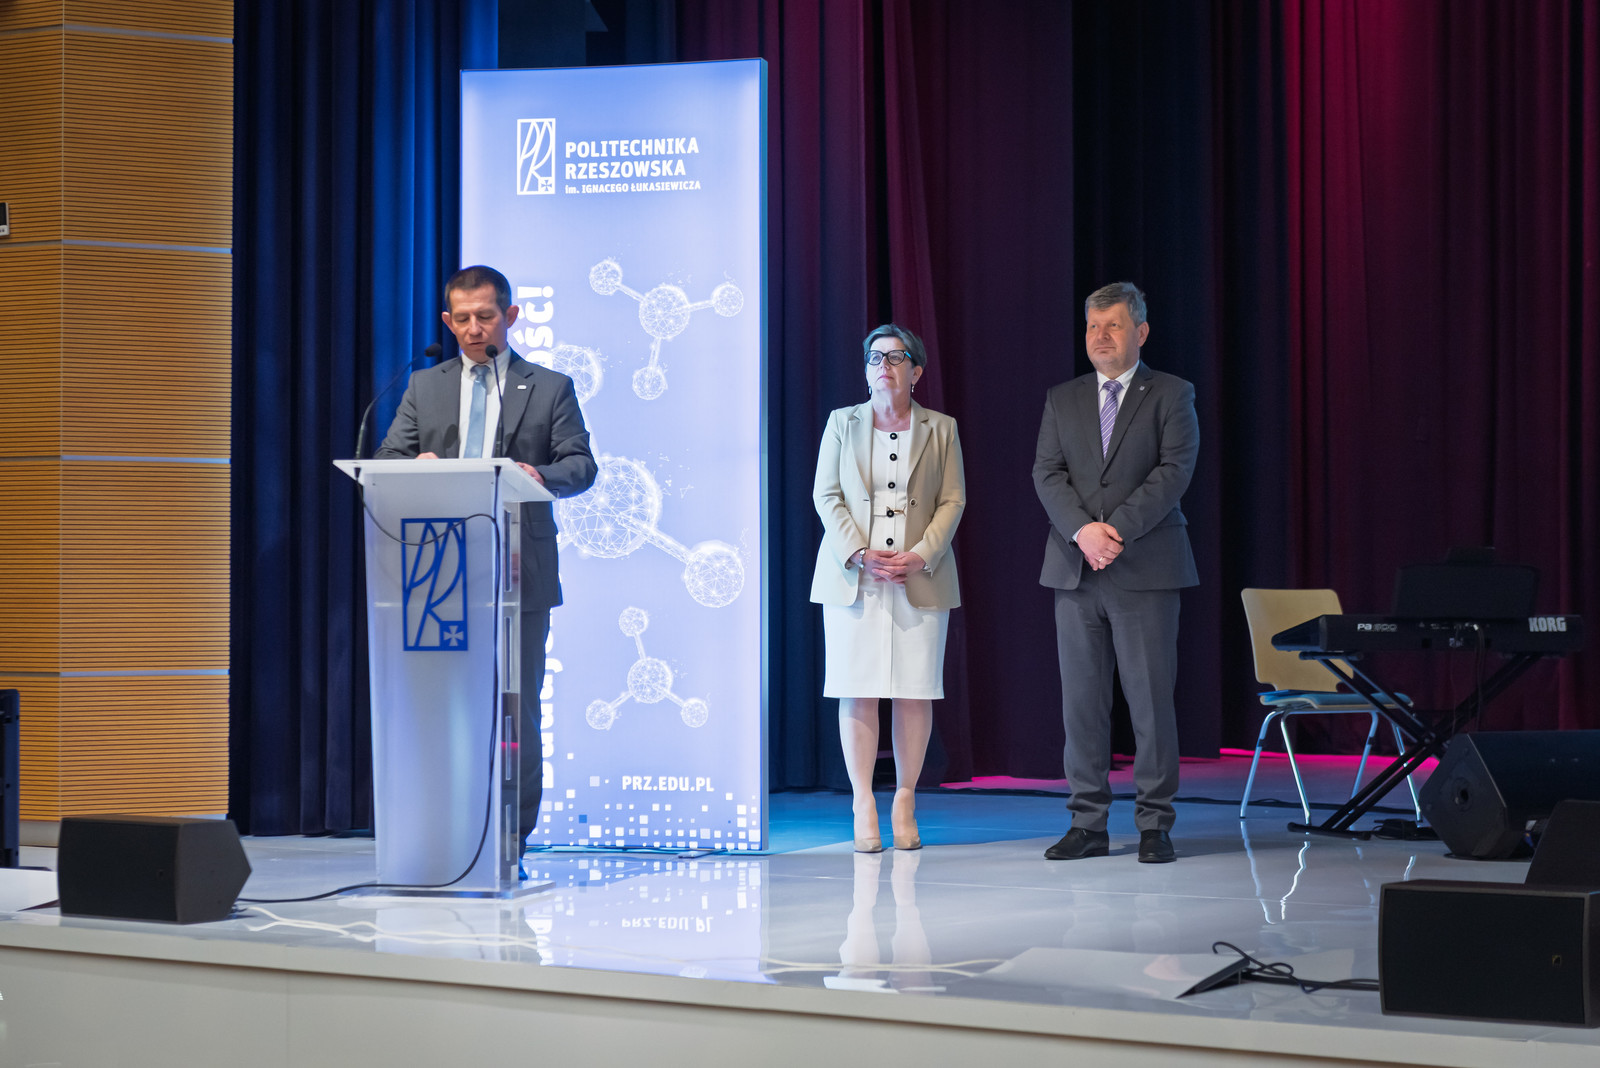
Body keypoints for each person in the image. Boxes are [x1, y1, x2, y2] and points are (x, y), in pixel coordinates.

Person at [377, 264, 598, 847]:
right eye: (463, 319)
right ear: (447, 321)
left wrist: (538, 474)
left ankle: (509, 838)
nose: (475, 329)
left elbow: (581, 465)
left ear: (511, 316)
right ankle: (443, 831)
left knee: (515, 708)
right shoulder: (425, 386)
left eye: (486, 316)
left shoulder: (548, 386)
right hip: (439, 571)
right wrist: (414, 465)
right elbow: (388, 458)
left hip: (520, 567)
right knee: (442, 706)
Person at [1032, 282, 1198, 864]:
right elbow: (1047, 474)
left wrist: (1114, 532)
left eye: (1114, 325)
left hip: (1145, 568)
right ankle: (1088, 824)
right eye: (1093, 327)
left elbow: (1174, 472)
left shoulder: (1172, 393)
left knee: (1150, 703)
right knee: (1081, 706)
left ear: (1141, 332)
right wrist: (1084, 531)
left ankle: (1155, 824)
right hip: (1075, 571)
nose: (1100, 337)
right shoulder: (1062, 398)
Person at [811, 325, 966, 852]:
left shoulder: (941, 428)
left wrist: (922, 554)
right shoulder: (842, 422)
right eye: (875, 357)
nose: (885, 366)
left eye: (897, 358)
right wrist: (858, 551)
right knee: (858, 688)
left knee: (914, 690)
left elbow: (953, 499)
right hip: (855, 576)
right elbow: (826, 494)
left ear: (915, 371)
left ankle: (904, 798)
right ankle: (861, 801)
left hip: (918, 574)